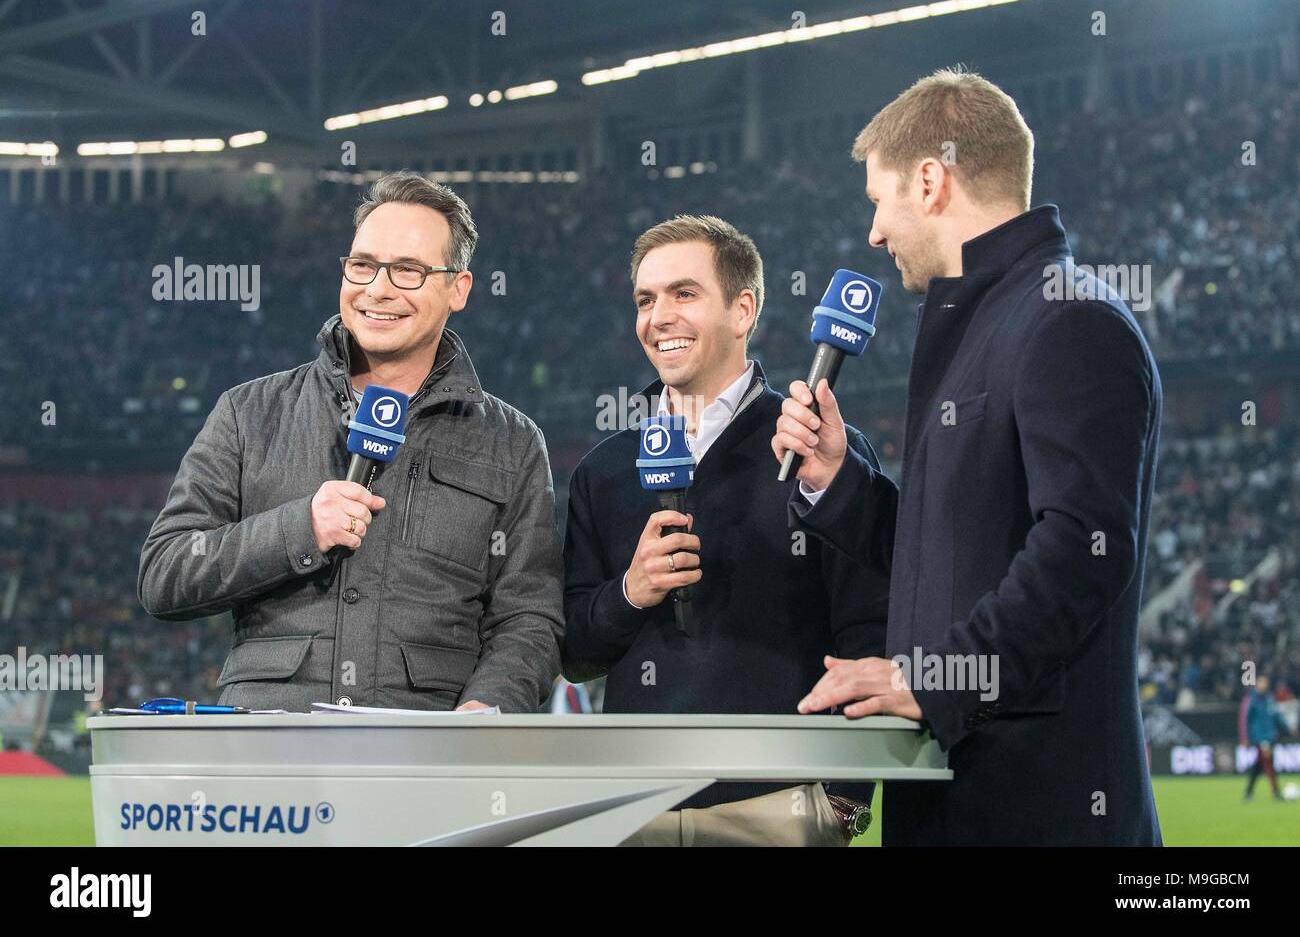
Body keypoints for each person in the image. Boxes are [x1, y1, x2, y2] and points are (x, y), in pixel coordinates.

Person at [774, 68, 1163, 845]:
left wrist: (932, 677)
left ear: (930, 180)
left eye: (879, 201)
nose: (875, 233)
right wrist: (841, 479)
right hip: (961, 798)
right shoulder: (985, 325)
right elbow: (950, 551)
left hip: (1042, 807)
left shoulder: (1068, 317)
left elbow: (1084, 547)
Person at [138, 171, 563, 713]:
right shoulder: (248, 412)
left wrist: (488, 707)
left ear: (459, 288)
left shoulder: (514, 442)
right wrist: (301, 527)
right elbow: (165, 573)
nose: (377, 289)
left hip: (427, 750)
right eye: (363, 265)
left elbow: (530, 615)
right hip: (270, 745)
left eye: (408, 271)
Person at [563, 215, 889, 845]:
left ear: (743, 310)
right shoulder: (603, 470)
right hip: (634, 801)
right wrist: (629, 592)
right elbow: (574, 651)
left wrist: (845, 796)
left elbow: (870, 620)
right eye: (645, 299)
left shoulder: (814, 447)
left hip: (780, 802)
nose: (659, 316)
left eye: (684, 293)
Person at [1240, 675, 1292, 802]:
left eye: (1265, 682)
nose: (1263, 685)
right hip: (1260, 737)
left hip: (1270, 737)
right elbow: (1244, 720)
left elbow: (1276, 716)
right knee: (1269, 764)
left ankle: (1248, 792)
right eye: (1261, 682)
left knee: (1259, 765)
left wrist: (1287, 727)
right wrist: (1245, 738)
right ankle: (1276, 793)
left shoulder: (1269, 699)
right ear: (1257, 684)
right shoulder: (1251, 700)